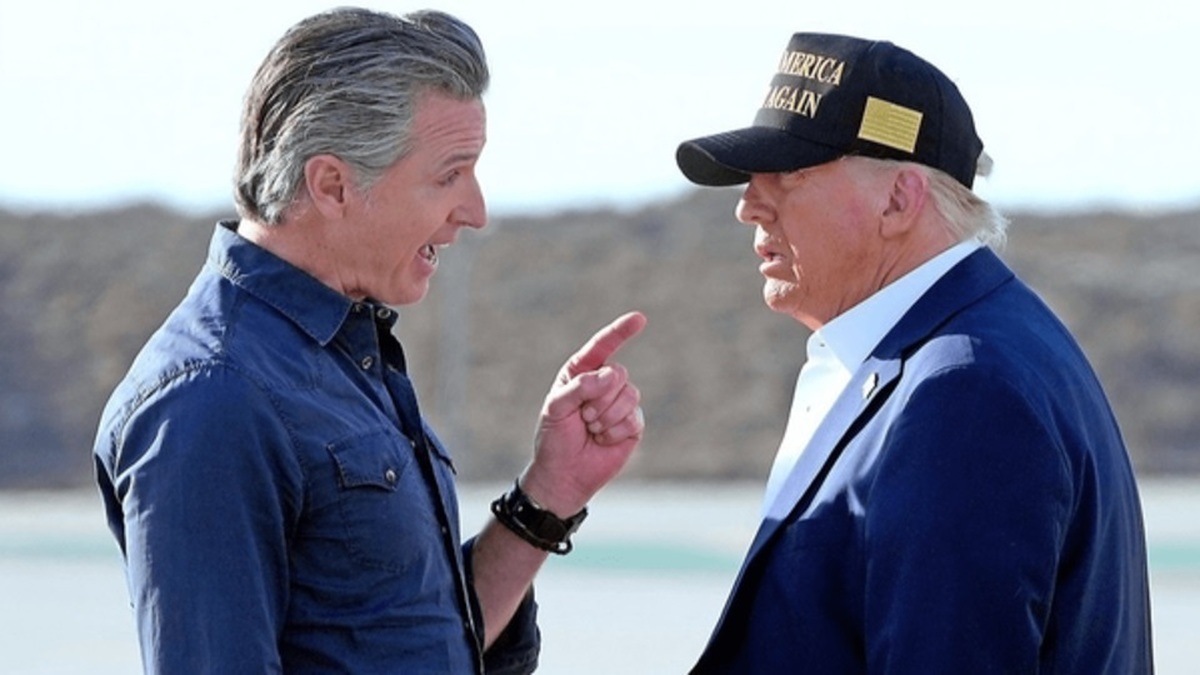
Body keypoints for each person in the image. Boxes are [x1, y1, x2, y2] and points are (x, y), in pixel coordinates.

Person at [92, 8, 646, 674]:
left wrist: (548, 494)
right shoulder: (212, 399)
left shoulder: (341, 357)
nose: (476, 211)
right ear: (332, 185)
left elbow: (419, 643)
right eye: (450, 175)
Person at [675, 32, 1153, 673]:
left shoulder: (963, 390)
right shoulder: (972, 352)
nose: (748, 207)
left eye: (788, 173)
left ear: (899, 199)